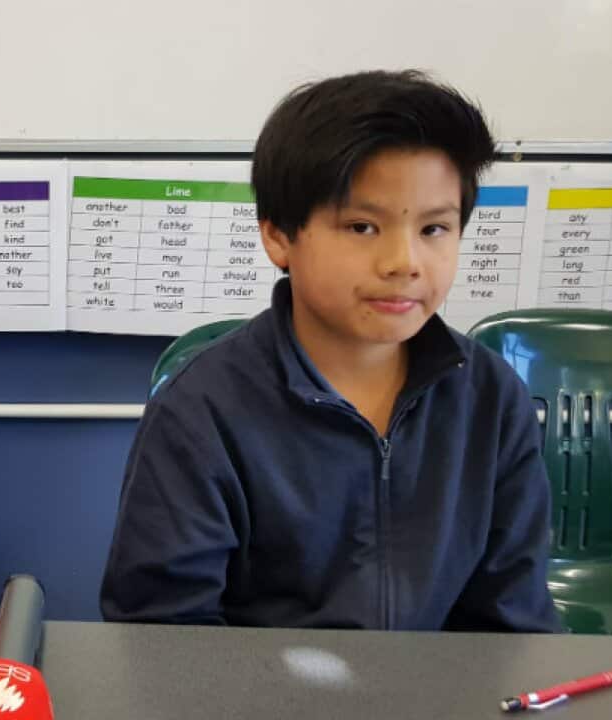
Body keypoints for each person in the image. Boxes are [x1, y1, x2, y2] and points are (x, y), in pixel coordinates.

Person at [101, 70, 560, 634]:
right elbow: (163, 634)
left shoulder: (491, 398)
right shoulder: (201, 410)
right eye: (363, 227)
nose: (404, 262)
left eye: (434, 229)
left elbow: (512, 623)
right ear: (279, 236)